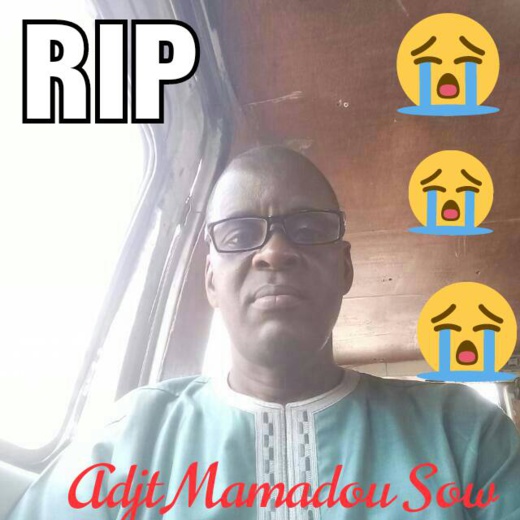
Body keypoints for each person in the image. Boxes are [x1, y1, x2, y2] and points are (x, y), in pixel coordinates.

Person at [8, 146, 520, 519]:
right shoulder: (128, 439)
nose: (274, 252)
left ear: (345, 269)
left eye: (308, 229)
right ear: (212, 279)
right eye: (239, 234)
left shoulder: (464, 433)